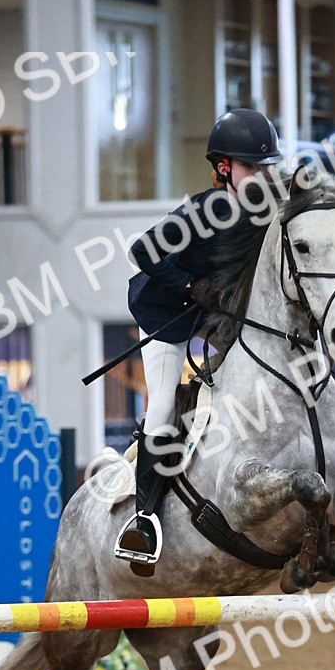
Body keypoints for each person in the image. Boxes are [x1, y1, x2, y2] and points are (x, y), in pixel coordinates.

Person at [115, 107, 283, 575]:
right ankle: (143, 521)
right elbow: (142, 250)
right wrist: (189, 288)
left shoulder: (265, 212)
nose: (263, 176)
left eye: (267, 167)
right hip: (166, 315)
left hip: (217, 318)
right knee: (164, 404)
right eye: (254, 167)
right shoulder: (202, 212)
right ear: (225, 169)